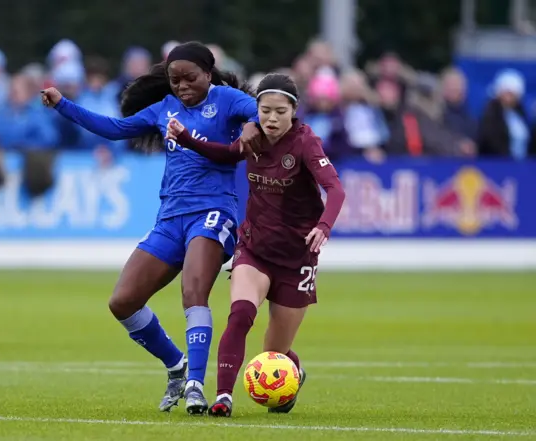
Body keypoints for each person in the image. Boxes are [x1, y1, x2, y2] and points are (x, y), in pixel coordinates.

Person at [41, 41, 261, 415]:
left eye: (190, 78)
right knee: (122, 301)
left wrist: (254, 124)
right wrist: (63, 104)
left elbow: (263, 111)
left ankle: (196, 384)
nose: (182, 86)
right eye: (175, 80)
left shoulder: (227, 99)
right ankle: (177, 366)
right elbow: (113, 128)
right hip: (171, 218)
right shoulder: (165, 108)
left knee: (193, 291)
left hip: (213, 212)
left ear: (208, 74)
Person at [165, 73, 346, 417]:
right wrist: (187, 138)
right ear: (257, 110)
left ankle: (292, 370)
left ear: (294, 111)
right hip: (254, 249)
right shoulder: (254, 138)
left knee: (272, 356)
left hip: (297, 259)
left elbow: (336, 190)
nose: (272, 119)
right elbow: (225, 154)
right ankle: (223, 398)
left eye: (280, 111)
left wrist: (324, 226)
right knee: (241, 314)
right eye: (265, 110)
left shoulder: (306, 143)